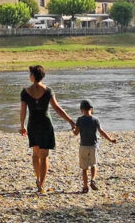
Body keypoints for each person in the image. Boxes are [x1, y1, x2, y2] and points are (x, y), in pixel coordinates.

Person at [19, 64, 76, 193]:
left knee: (35, 153)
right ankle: (41, 184)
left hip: (33, 123)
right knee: (44, 155)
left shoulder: (25, 92)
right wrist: (70, 121)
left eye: (30, 74)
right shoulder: (48, 91)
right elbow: (57, 108)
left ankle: (38, 178)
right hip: (45, 123)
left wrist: (22, 126)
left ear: (33, 76)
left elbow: (22, 111)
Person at [72, 99, 116, 193]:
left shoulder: (79, 119)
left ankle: (85, 187)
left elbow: (76, 133)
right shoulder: (95, 119)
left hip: (83, 146)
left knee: (84, 168)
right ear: (92, 109)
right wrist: (110, 139)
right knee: (93, 165)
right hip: (93, 146)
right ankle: (93, 180)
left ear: (81, 110)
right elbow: (101, 132)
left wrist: (73, 129)